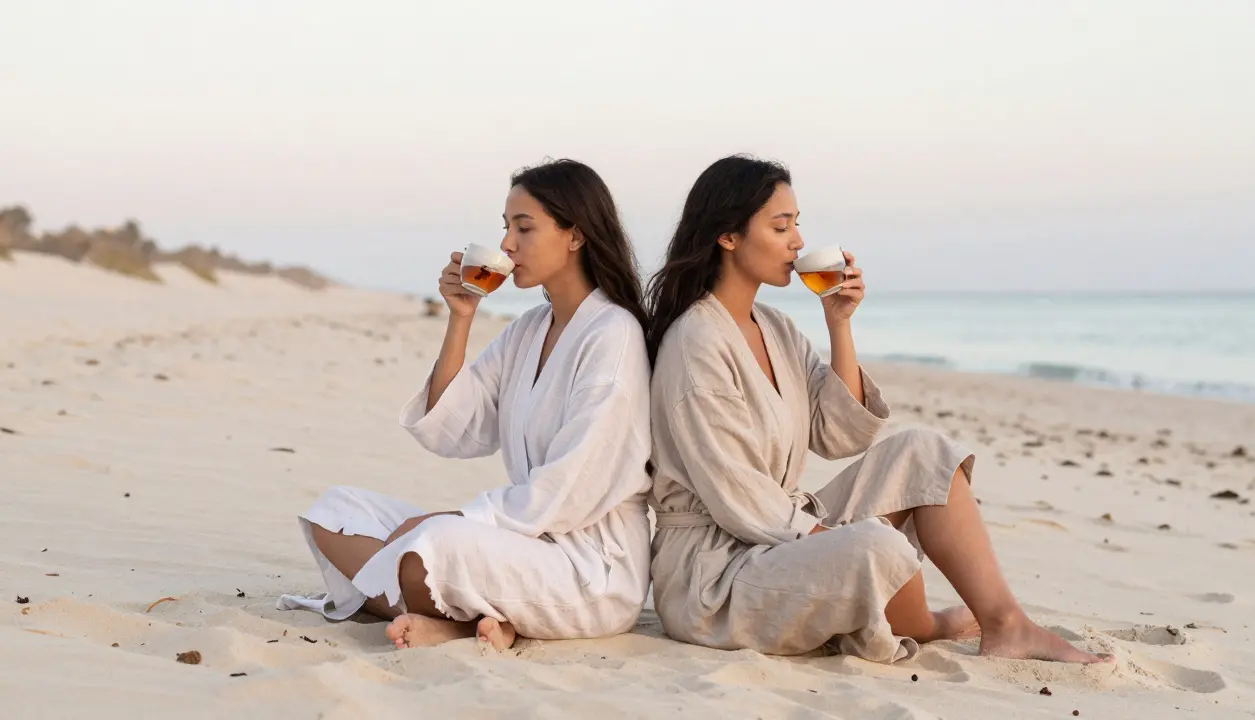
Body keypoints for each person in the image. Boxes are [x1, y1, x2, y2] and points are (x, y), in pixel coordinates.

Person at [643, 154, 1112, 664]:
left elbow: (840, 435)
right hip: (716, 577)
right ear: (727, 236)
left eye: (797, 224)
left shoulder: (774, 327)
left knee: (926, 453)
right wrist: (834, 537)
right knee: (877, 547)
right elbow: (736, 494)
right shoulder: (695, 341)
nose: (798, 241)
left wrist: (839, 323)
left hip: (779, 534)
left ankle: (1006, 626)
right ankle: (929, 625)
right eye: (781, 227)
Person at [278, 159, 653, 652]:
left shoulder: (613, 335)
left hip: (588, 568)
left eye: (524, 228)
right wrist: (461, 318)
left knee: (428, 548)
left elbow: (572, 487)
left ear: (576, 236)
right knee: (334, 513)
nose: (507, 245)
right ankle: (483, 621)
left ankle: (458, 618)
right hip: (519, 542)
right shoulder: (530, 329)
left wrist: (456, 519)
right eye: (506, 228)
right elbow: (452, 426)